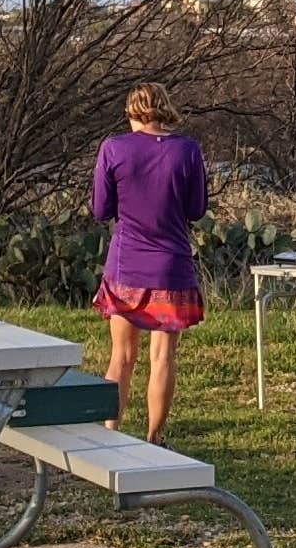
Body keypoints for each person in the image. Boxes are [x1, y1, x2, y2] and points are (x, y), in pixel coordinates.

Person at [87, 84, 208, 441]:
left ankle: (111, 432)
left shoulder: (114, 149)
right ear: (165, 110)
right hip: (171, 267)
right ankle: (155, 436)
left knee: (121, 356)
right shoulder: (187, 151)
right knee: (162, 358)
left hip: (126, 267)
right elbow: (197, 210)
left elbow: (100, 209)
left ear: (130, 113)